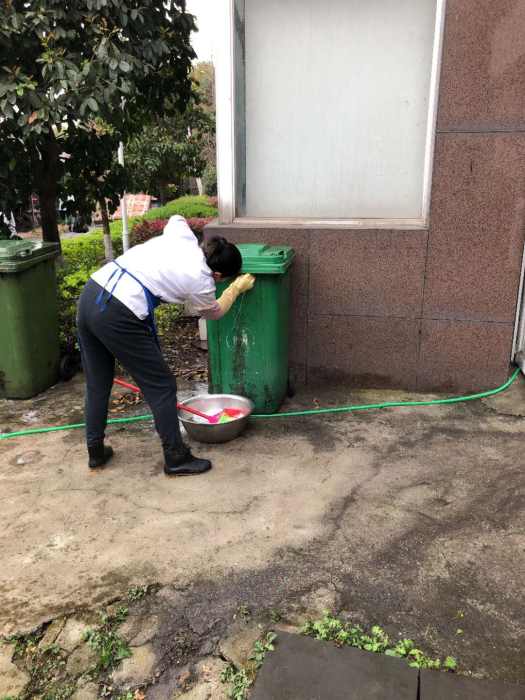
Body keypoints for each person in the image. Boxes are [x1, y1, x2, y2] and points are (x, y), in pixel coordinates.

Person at [76, 215, 255, 477]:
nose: (217, 283)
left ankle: (95, 451)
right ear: (217, 274)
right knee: (162, 386)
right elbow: (214, 312)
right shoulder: (201, 279)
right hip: (119, 312)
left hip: (92, 293)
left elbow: (177, 218)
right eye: (221, 280)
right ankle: (176, 457)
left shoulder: (182, 236)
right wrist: (235, 289)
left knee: (97, 382)